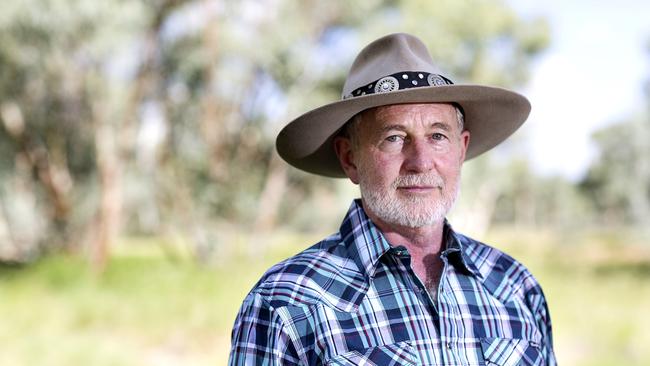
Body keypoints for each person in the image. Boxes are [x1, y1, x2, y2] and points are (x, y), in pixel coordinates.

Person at [229, 33, 556, 365]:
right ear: (350, 158)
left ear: (462, 148)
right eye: (394, 137)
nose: (421, 161)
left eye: (438, 136)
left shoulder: (516, 287)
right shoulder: (285, 303)